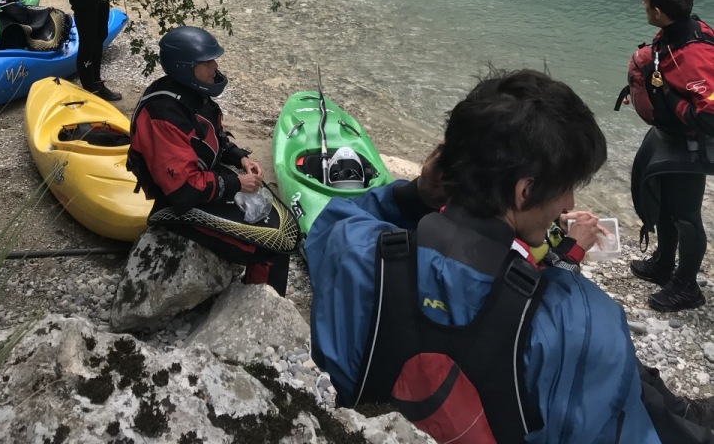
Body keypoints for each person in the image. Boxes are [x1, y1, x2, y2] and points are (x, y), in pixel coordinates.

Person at [306, 69, 714, 444]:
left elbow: (332, 220)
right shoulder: (581, 319)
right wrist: (566, 260)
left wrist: (413, 196)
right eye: (566, 187)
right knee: (641, 394)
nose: (569, 203)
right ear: (524, 191)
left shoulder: (356, 251)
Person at [127, 25, 299, 293]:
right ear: (185, 67)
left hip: (203, 183)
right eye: (206, 62)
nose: (214, 66)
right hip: (177, 205)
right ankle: (259, 308)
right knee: (272, 248)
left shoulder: (194, 97)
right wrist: (236, 183)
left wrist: (239, 159)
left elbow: (210, 139)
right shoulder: (163, 115)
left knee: (282, 227)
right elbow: (183, 190)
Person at [623, 0, 714, 312]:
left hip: (691, 145)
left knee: (685, 215)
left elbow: (710, 117)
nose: (643, 5)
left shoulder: (695, 54)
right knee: (662, 203)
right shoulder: (676, 31)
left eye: (645, 1)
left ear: (659, 12)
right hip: (670, 135)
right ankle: (663, 263)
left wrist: (667, 96)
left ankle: (687, 287)